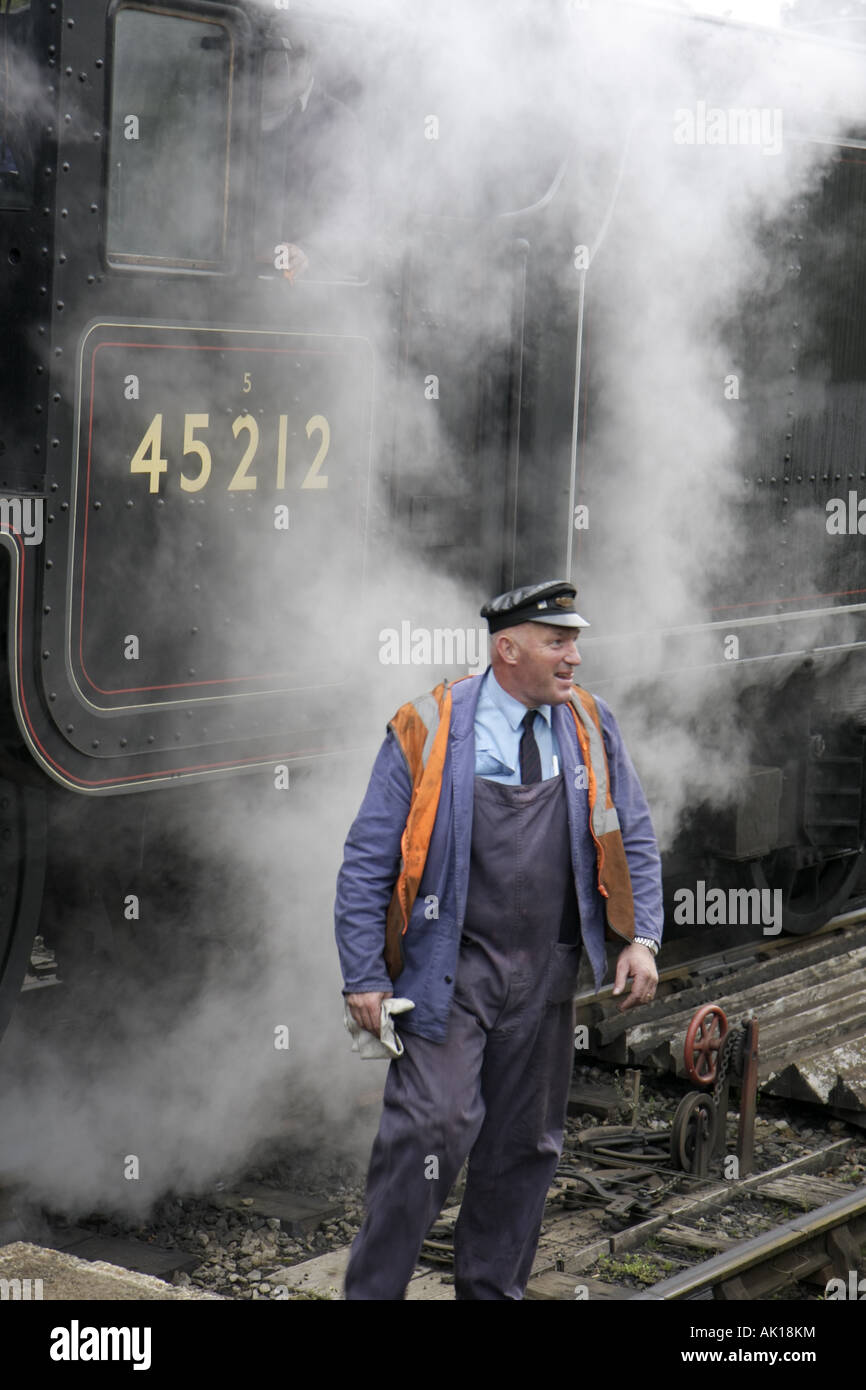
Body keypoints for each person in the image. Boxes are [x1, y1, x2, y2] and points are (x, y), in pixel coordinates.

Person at [334, 579, 663, 1300]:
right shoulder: (426, 726)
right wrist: (364, 974)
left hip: (546, 973)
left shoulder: (589, 722)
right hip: (451, 973)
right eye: (558, 641)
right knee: (430, 1126)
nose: (574, 655)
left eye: (574, 640)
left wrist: (640, 939)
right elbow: (368, 860)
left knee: (524, 1149)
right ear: (507, 649)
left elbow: (631, 832)